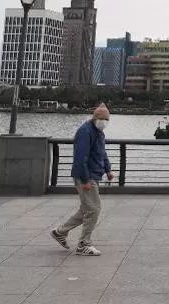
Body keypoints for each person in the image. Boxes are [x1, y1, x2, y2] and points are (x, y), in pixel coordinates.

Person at [50, 104, 113, 256]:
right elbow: (80, 157)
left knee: (86, 209)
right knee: (94, 209)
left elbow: (101, 153)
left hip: (93, 175)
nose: (104, 122)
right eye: (102, 119)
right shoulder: (85, 131)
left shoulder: (99, 132)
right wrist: (85, 180)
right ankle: (84, 244)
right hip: (86, 176)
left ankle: (60, 232)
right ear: (94, 117)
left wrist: (108, 169)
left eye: (106, 119)